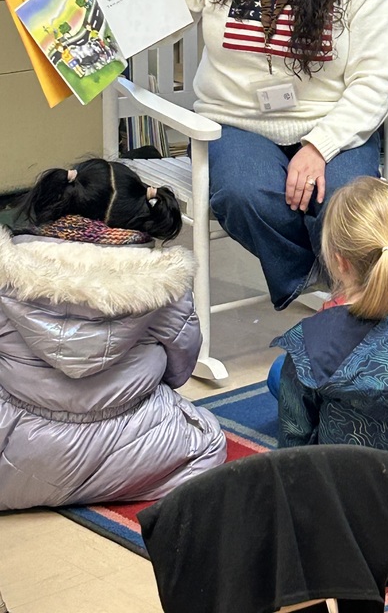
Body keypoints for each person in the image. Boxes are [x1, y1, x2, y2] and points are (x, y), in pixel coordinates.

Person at [62, 0, 388, 311]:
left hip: (334, 124)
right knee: (245, 194)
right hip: (235, 123)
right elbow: (132, 15)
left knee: (347, 207)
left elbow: (374, 81)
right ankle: (325, 292)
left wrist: (320, 146)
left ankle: (347, 307)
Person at [0, 158, 226, 511]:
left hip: (17, 450)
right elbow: (181, 369)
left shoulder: (7, 271)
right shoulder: (165, 281)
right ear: (140, 212)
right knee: (210, 443)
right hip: (139, 448)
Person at [271, 176, 388, 584]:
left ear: (339, 260)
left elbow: (294, 449)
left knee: (284, 384)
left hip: (355, 522)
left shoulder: (311, 343)